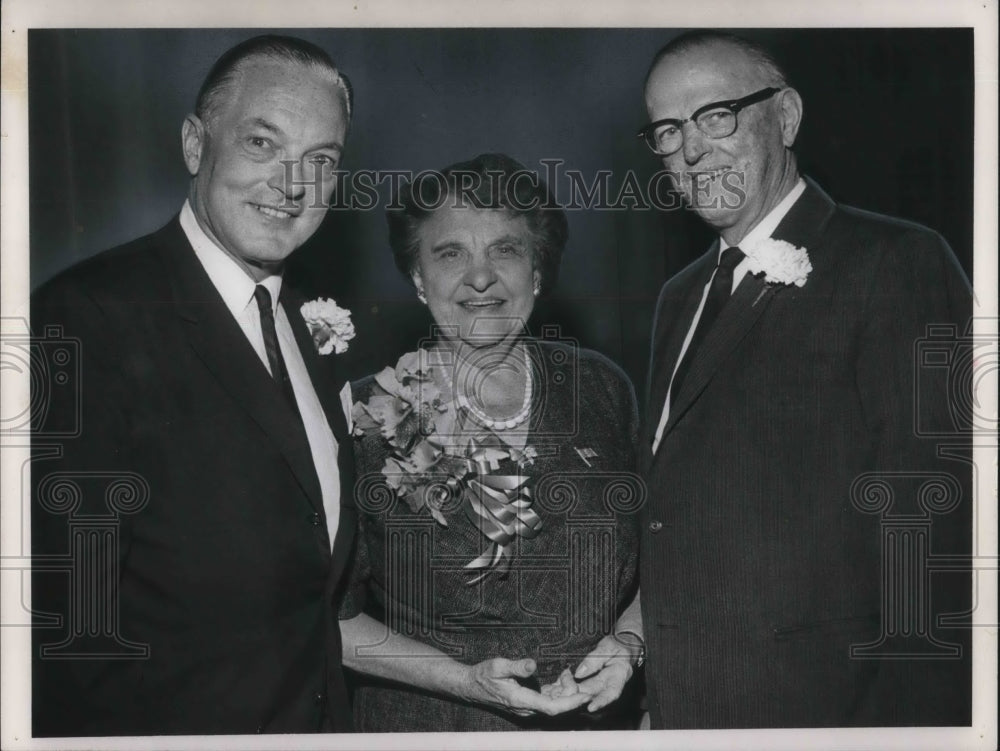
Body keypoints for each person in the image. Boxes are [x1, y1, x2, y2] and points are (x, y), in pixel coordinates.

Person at [569, 31, 973, 728]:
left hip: (826, 713)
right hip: (682, 707)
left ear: (784, 116)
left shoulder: (895, 261)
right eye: (668, 130)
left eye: (717, 116)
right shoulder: (681, 294)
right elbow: (682, 518)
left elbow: (934, 532)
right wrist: (636, 646)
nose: (693, 150)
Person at [31, 35, 360, 735]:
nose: (294, 184)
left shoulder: (307, 327)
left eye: (321, 160)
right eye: (263, 144)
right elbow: (71, 629)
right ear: (193, 144)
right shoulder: (90, 316)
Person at [337, 153, 644, 731]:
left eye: (505, 249)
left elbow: (668, 558)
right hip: (432, 730)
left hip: (600, 731)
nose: (481, 278)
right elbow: (330, 621)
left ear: (537, 271)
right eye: (450, 253)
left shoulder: (602, 389)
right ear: (418, 278)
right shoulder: (365, 417)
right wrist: (467, 681)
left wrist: (630, 643)